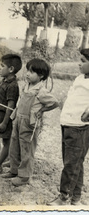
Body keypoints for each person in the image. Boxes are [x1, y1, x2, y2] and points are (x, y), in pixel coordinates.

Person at [2, 58, 59, 186]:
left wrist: (42, 110)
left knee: (27, 148)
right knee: (15, 145)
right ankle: (14, 170)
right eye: (27, 71)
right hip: (18, 119)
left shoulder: (41, 91)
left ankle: (24, 176)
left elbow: (55, 102)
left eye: (31, 72)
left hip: (30, 123)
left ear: (41, 76)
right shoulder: (26, 86)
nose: (27, 74)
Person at [47, 49, 89, 206]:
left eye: (84, 60)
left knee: (72, 163)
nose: (80, 63)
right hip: (68, 124)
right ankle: (75, 196)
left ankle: (64, 196)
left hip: (80, 127)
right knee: (74, 161)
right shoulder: (80, 78)